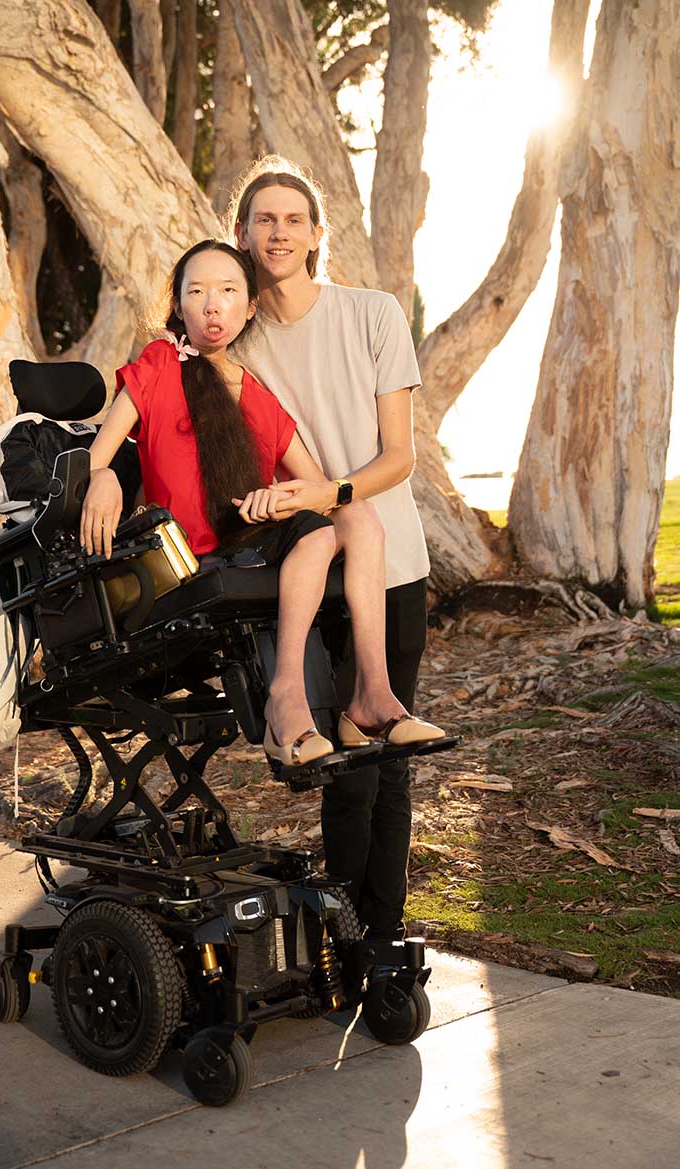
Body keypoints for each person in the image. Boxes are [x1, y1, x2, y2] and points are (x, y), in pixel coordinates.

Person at [77, 239, 442, 768]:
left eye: (227, 291)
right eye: (196, 292)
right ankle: (286, 700)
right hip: (188, 561)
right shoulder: (159, 363)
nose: (211, 305)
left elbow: (316, 488)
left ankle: (374, 692)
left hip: (249, 543)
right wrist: (104, 476)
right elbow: (100, 453)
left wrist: (277, 499)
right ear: (178, 306)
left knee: (355, 514)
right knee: (319, 532)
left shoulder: (256, 393)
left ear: (248, 308)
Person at [228, 156, 435, 942]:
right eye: (262, 219)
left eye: (291, 219)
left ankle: (381, 939)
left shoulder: (373, 312)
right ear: (241, 235)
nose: (277, 232)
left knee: (386, 765)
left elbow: (396, 459)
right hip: (310, 575)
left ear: (316, 235)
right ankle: (347, 940)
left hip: (392, 564)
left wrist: (324, 492)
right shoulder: (237, 346)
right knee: (341, 780)